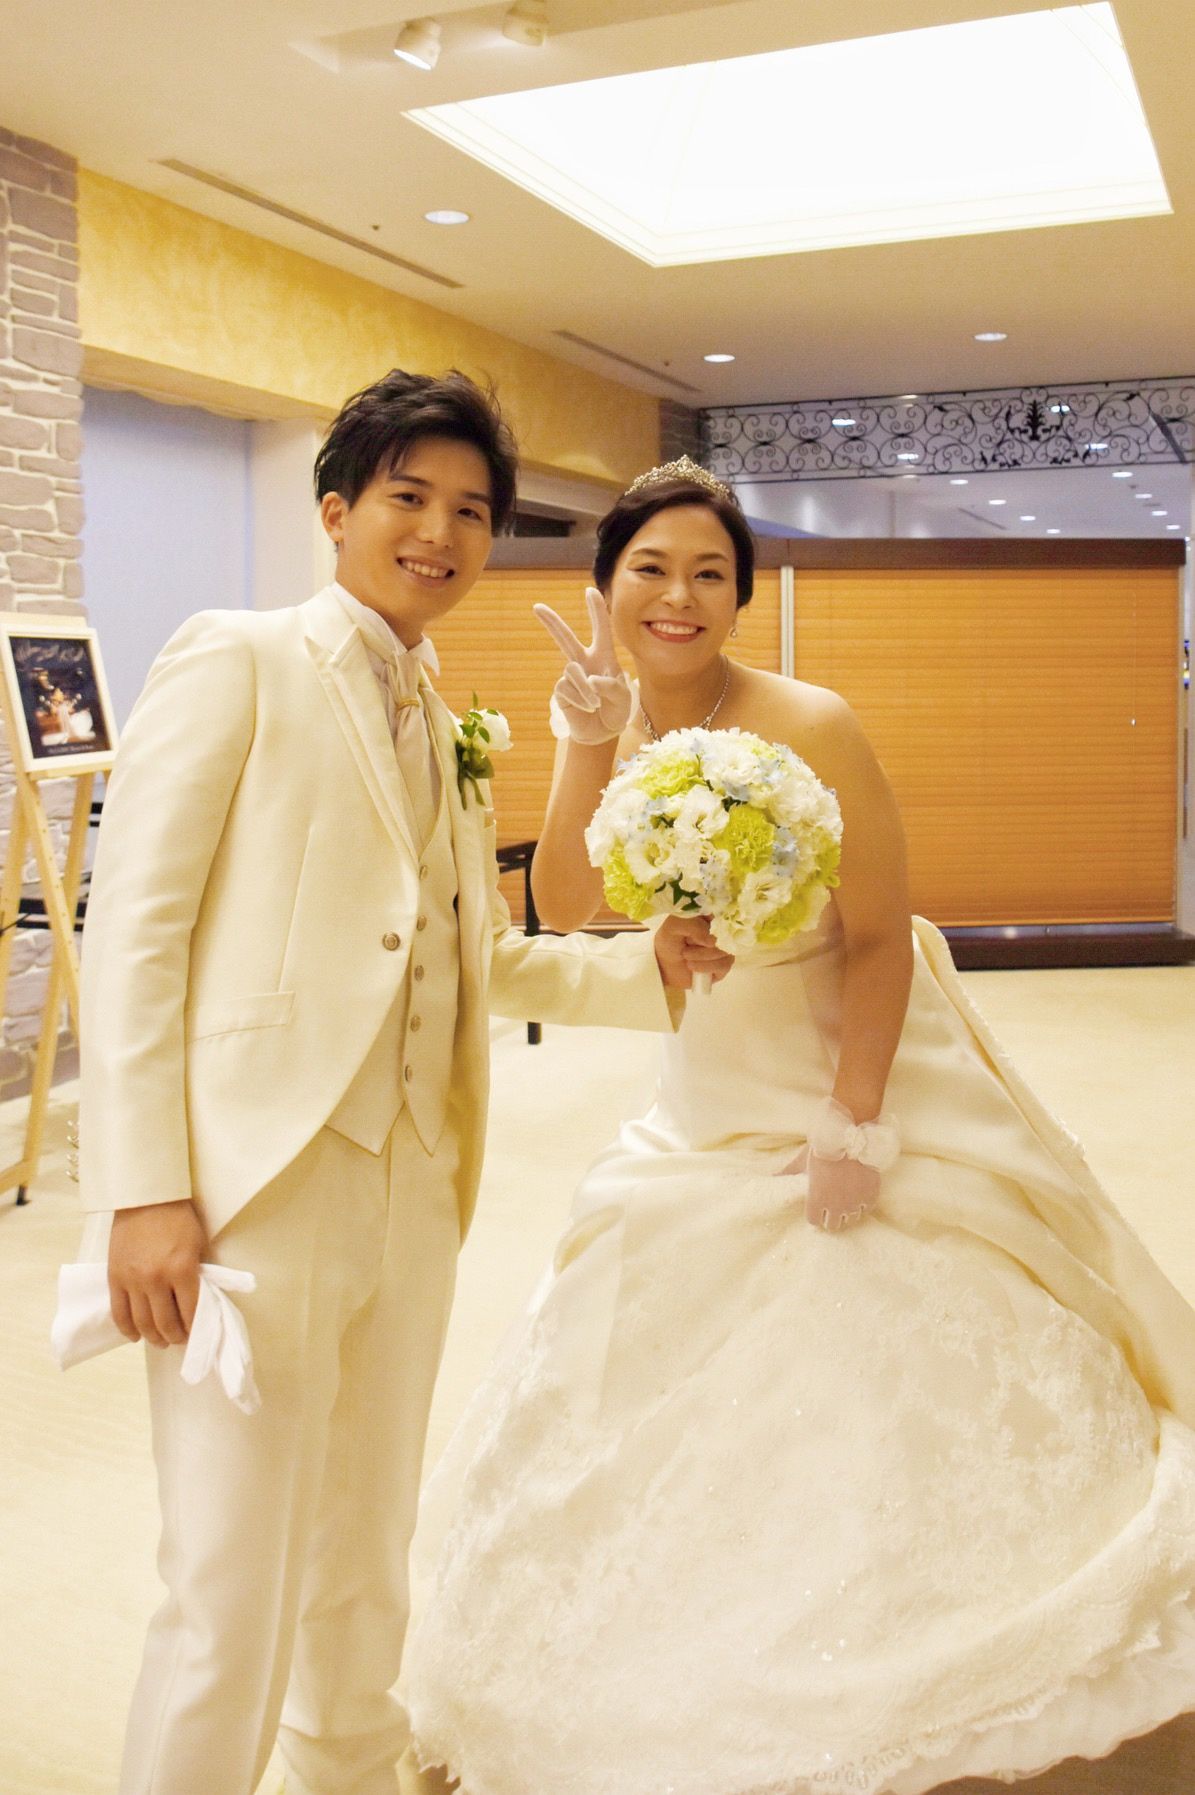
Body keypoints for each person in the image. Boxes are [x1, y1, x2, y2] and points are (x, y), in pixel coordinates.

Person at [402, 456, 1195, 1795]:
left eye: (710, 574)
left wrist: (854, 1124)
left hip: (844, 1072)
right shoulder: (613, 720)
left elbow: (880, 936)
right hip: (707, 1097)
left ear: (741, 597)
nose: (678, 596)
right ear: (607, 586)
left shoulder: (811, 721)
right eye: (651, 569)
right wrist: (587, 735)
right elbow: (569, 908)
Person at [76, 381, 720, 1795]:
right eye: (408, 498)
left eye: (472, 511)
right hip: (257, 1188)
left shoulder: (444, 715)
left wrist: (648, 970)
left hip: (417, 1186)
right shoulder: (239, 660)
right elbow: (135, 937)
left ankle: (348, 1769)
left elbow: (472, 953)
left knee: (366, 1544)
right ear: (336, 510)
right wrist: (143, 1191)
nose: (440, 532)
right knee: (227, 1583)